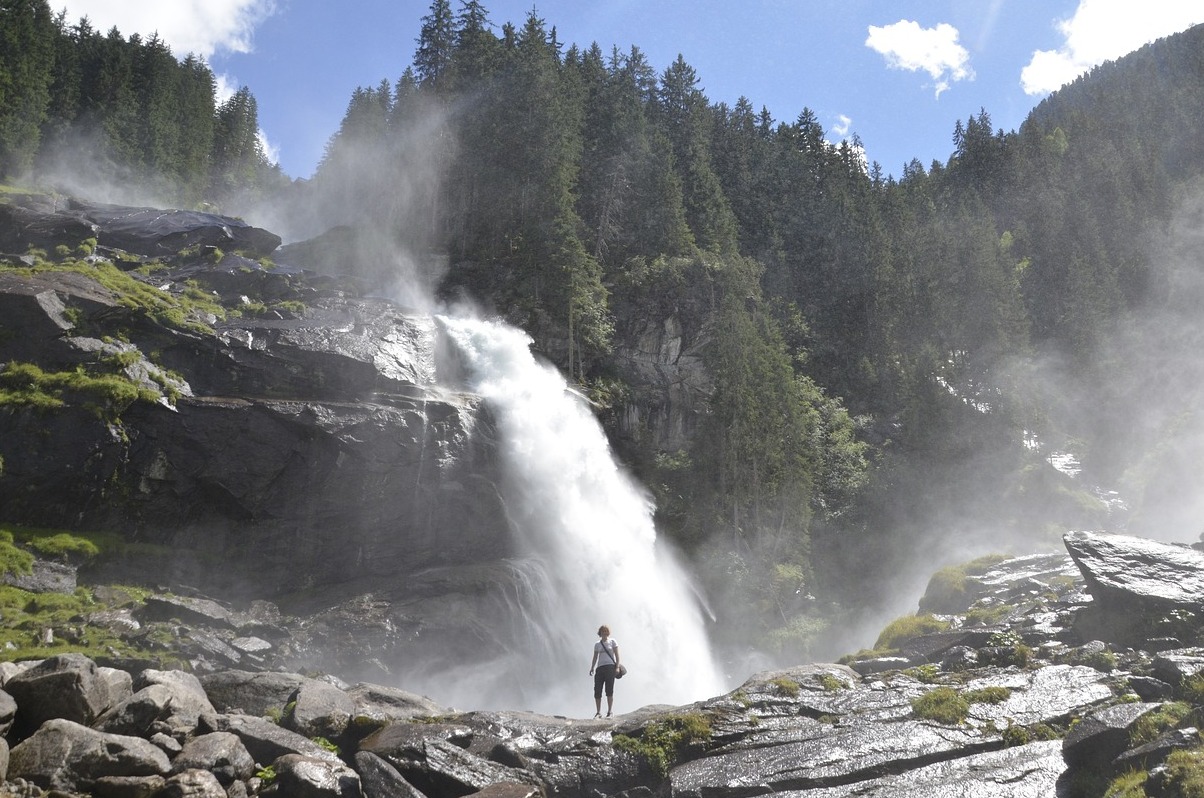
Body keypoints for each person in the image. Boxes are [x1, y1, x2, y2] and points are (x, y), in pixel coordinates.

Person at [589, 624, 620, 718]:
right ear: (600, 633)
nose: (604, 633)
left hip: (610, 667)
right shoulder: (597, 644)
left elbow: (617, 655)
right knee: (597, 690)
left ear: (608, 632)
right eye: (603, 631)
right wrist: (592, 667)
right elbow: (595, 657)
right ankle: (598, 712)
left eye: (606, 631)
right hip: (600, 668)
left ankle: (610, 712)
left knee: (609, 690)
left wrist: (617, 667)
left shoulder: (612, 641)